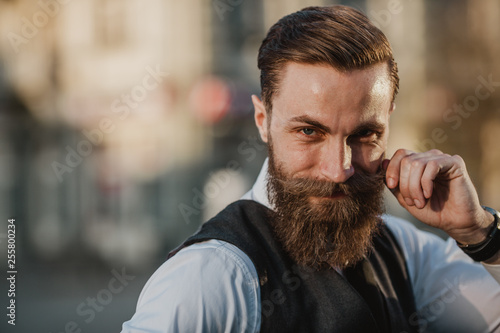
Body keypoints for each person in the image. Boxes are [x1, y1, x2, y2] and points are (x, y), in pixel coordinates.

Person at [121, 5, 500, 332]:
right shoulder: (213, 276)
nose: (339, 169)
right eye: (309, 131)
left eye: (365, 134)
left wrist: (478, 231)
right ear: (262, 120)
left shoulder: (402, 249)